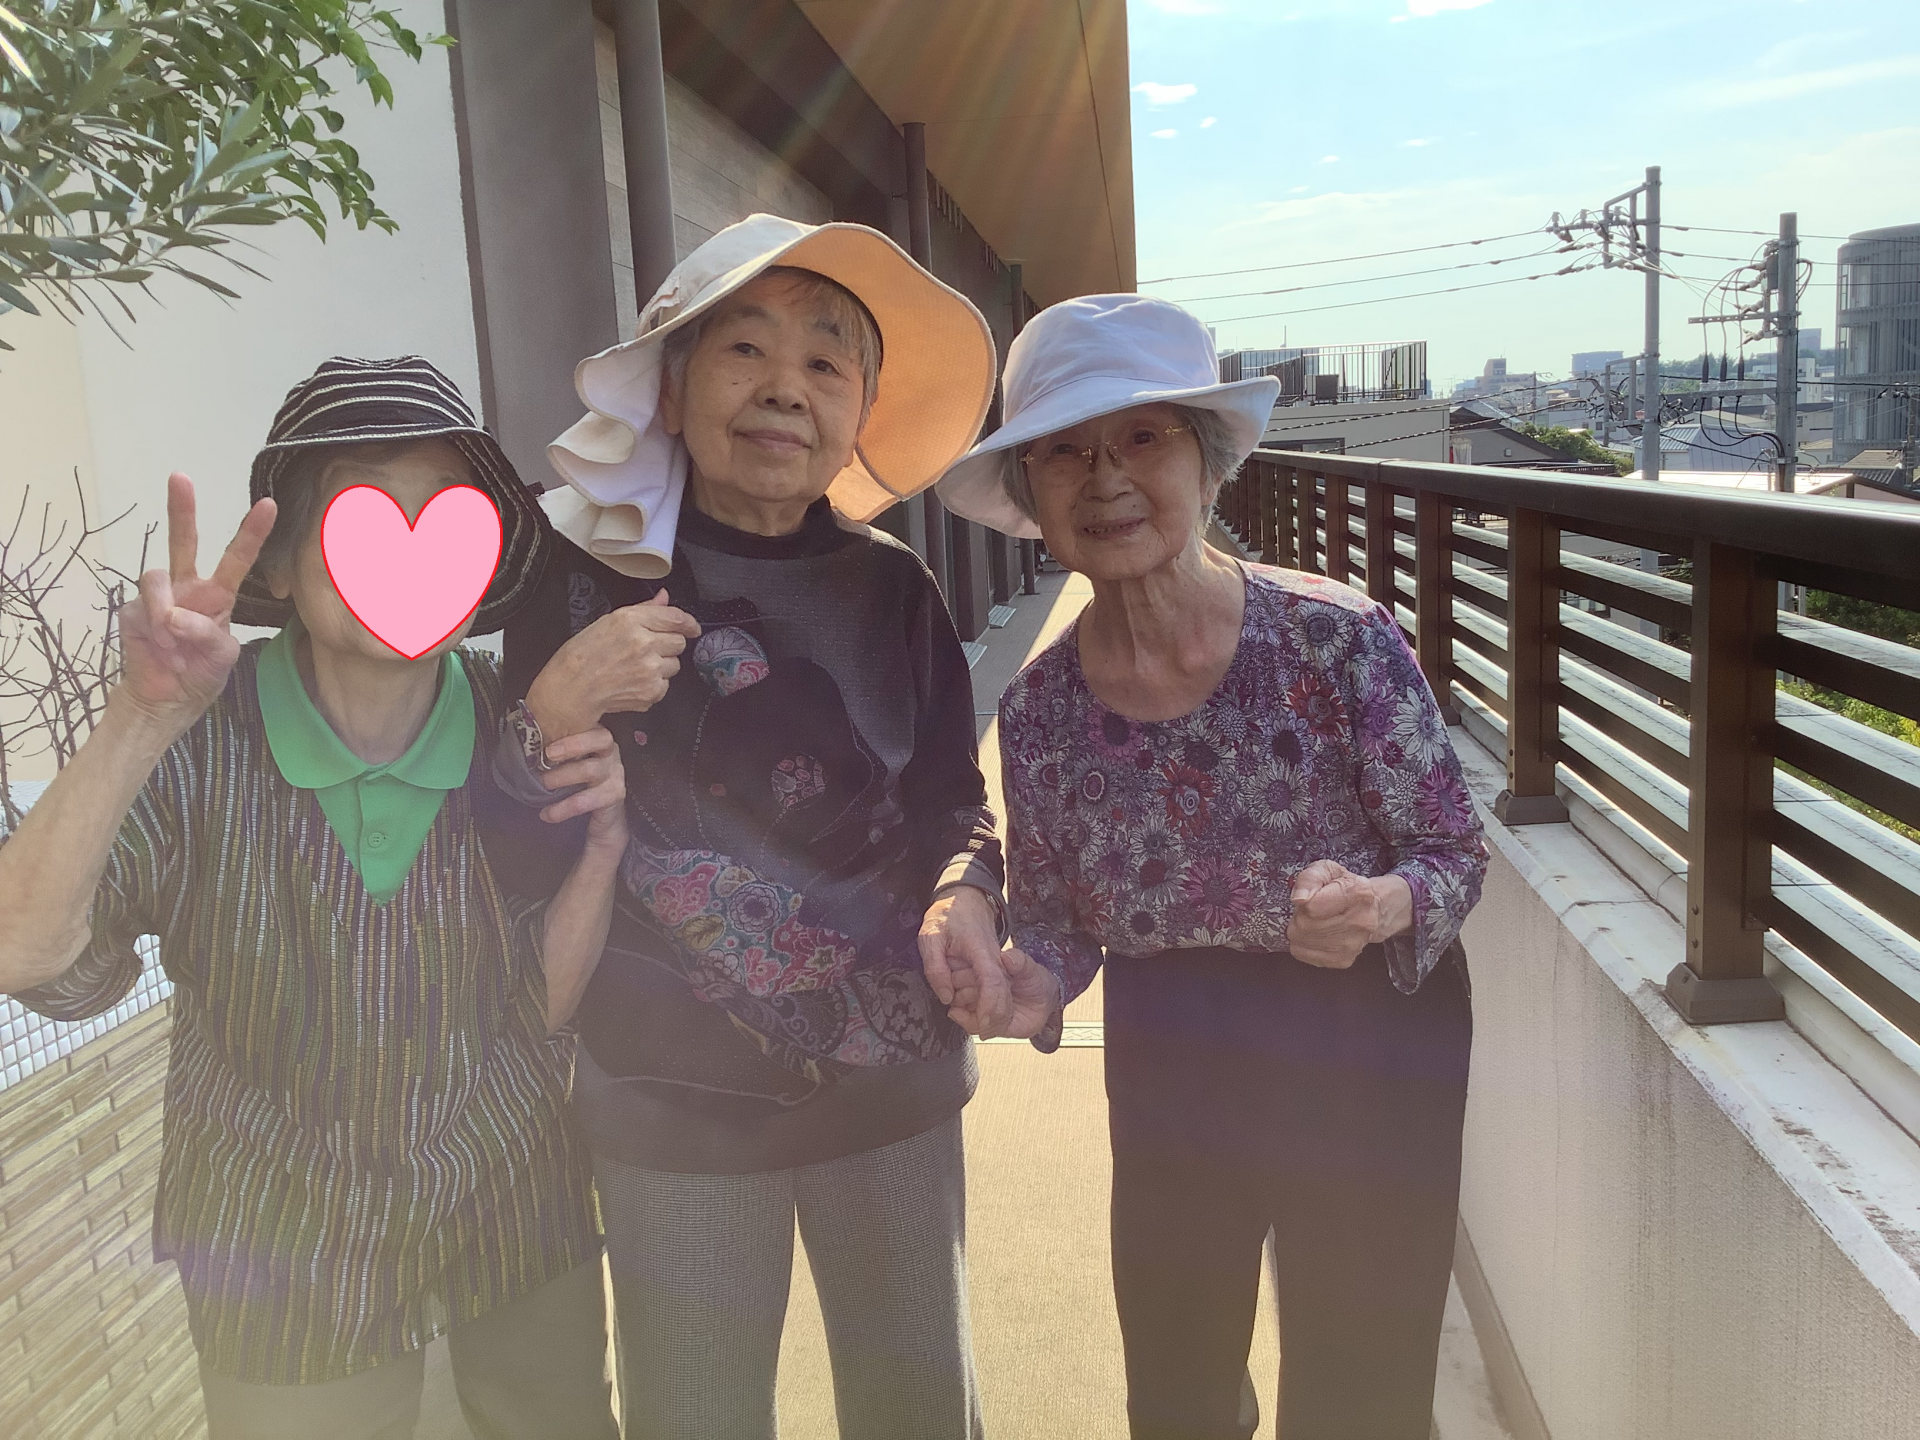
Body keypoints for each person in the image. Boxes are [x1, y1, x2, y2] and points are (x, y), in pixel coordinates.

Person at [0, 358, 627, 1440]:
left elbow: (543, 1005)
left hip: (512, 1198)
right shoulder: (199, 741)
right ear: (283, 562)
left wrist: (603, 847)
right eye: (360, 516)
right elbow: (27, 955)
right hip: (275, 1236)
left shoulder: (515, 732)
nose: (408, 550)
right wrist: (139, 717)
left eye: (447, 520)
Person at [933, 295, 1490, 1440]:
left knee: (1363, 1387)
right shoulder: (1040, 711)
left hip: (1368, 1037)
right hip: (1174, 1046)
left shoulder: (1338, 638)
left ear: (1206, 458)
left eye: (1142, 437)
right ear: (1031, 491)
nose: (1106, 479)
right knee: (1179, 1380)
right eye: (1065, 451)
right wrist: (1031, 982)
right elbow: (1059, 919)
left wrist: (1380, 905)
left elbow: (1453, 852)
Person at [489, 214, 1006, 1439]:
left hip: (891, 1087)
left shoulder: (895, 587)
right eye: (745, 349)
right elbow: (505, 842)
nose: (785, 387)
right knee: (695, 1414)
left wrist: (966, 894)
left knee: (920, 1408)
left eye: (826, 362)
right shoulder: (575, 575)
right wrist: (545, 714)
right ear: (671, 389)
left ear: (860, 409)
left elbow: (955, 803)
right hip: (667, 1100)